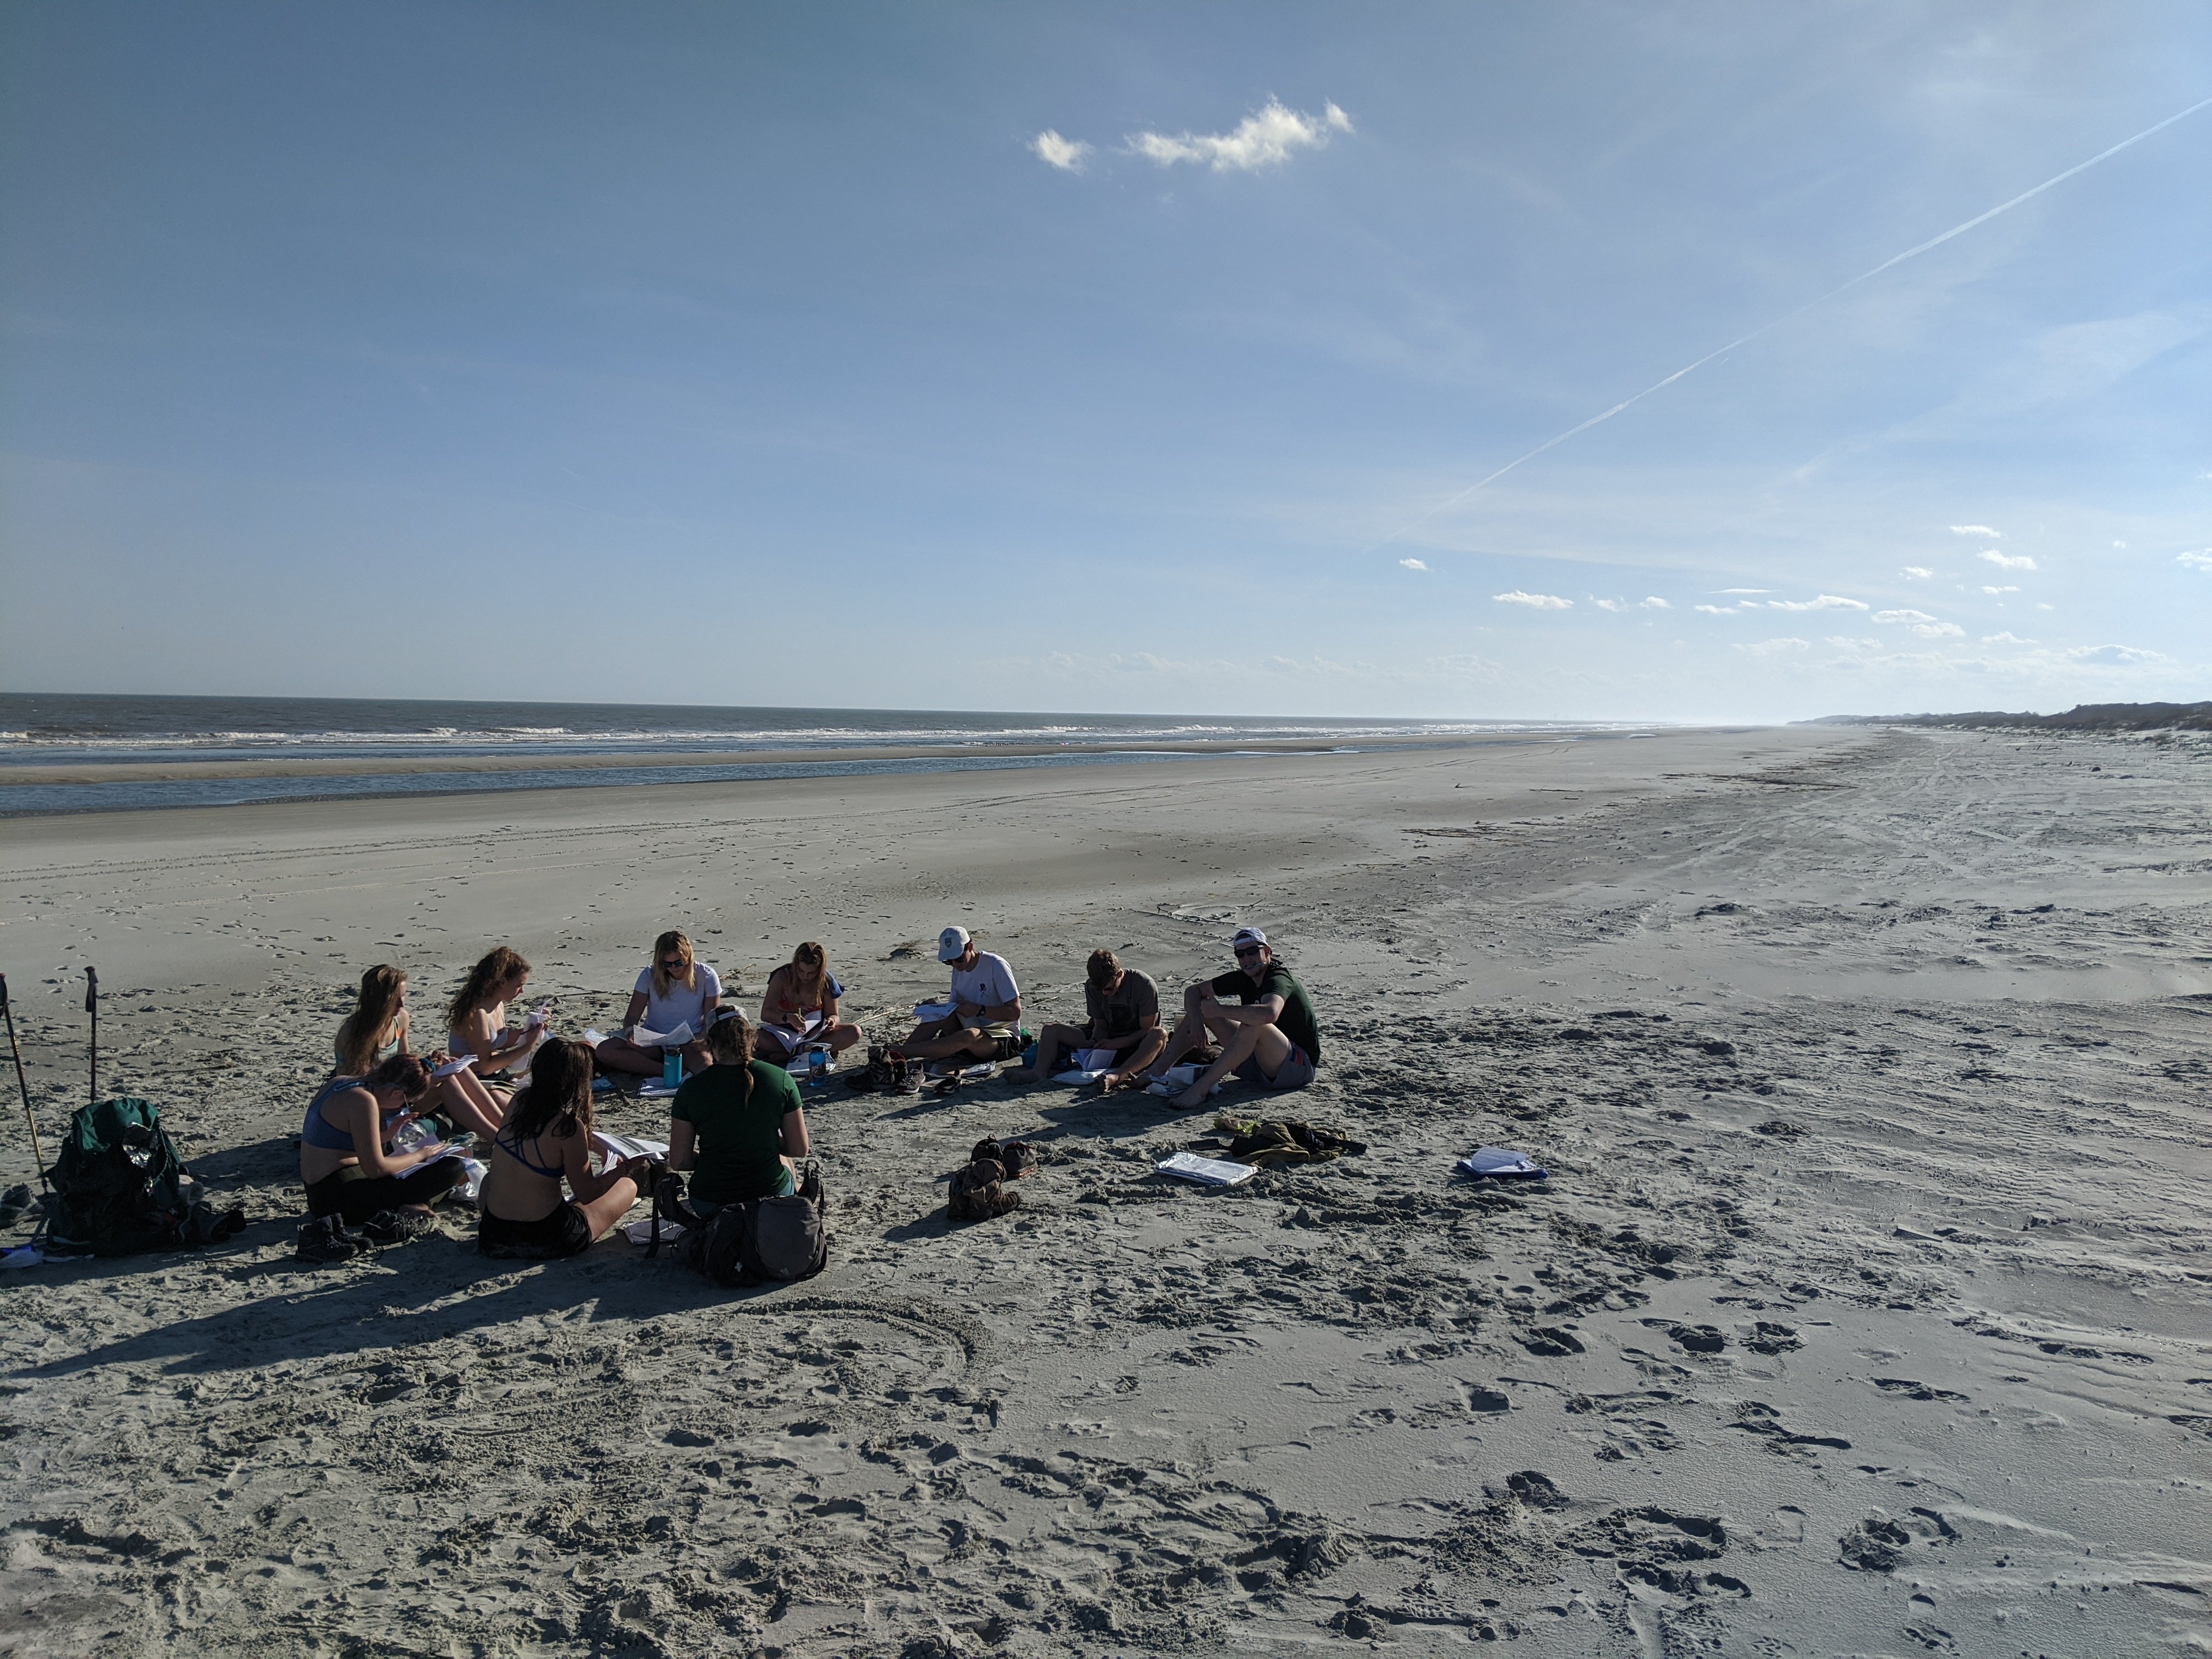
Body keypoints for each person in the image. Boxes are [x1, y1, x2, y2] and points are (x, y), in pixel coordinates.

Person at [477, 1039, 651, 1259]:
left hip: (494, 1235)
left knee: (491, 1180)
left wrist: (597, 1146)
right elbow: (587, 1193)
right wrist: (625, 1170)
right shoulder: (567, 1127)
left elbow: (538, 1141)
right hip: (547, 1236)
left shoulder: (519, 1102)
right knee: (627, 1187)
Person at [1146, 927, 1322, 1111]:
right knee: (1203, 1006)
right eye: (1241, 955)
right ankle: (1157, 1071)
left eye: (1253, 952)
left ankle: (1201, 1088)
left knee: (1255, 1023)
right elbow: (1193, 990)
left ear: (1268, 951)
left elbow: (1270, 1014)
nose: (1247, 959)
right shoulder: (1245, 977)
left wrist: (1221, 1010)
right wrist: (1198, 1021)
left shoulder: (1278, 977)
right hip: (1258, 1063)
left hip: (1297, 1067)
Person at [331, 964, 507, 1141]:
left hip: (398, 1094)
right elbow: (359, 1086)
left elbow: (405, 1062)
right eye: (395, 999)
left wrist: (428, 1067)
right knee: (448, 1084)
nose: (402, 1004)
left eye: (403, 996)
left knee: (455, 1069)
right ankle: (499, 1139)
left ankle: (505, 1129)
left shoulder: (400, 1019)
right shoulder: (354, 1033)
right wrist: (425, 1081)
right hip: (373, 1105)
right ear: (379, 1000)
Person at [298, 1053, 467, 1233]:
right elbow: (376, 1169)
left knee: (422, 1166)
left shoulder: (340, 1082)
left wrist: (387, 1135)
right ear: (397, 1093)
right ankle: (418, 1204)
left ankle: (413, 1203)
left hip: (320, 1192)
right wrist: (420, 1155)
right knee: (454, 1167)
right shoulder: (363, 1100)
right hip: (338, 1198)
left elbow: (338, 1141)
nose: (401, 1107)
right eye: (406, 1102)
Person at [669, 1008, 810, 1210]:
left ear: (709, 1043)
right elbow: (799, 1148)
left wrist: (713, 1154)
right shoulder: (781, 1079)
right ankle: (788, 1211)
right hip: (770, 1197)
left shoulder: (691, 1089)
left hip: (710, 1201)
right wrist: (761, 1141)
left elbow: (680, 1161)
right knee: (782, 1158)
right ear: (753, 1039)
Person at [1013, 949, 1165, 1086]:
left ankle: (1118, 1076)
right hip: (1107, 1042)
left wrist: (1117, 1043)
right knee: (1051, 1030)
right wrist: (1093, 1041)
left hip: (1137, 1044)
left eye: (1109, 989)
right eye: (1100, 989)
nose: (1105, 993)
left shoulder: (1144, 985)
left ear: (1119, 974)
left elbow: (1147, 1029)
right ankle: (1039, 1072)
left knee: (1159, 1035)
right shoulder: (1092, 987)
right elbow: (1101, 1025)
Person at [595, 930, 722, 1077]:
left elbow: (711, 1019)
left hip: (690, 1039)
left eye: (678, 963)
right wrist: (631, 1032)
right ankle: (668, 1072)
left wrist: (702, 1038)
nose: (673, 968)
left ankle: (673, 1069)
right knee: (605, 1051)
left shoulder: (706, 975)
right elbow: (632, 1016)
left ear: (688, 958)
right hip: (654, 1039)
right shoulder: (649, 974)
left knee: (706, 1069)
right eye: (667, 964)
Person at [893, 927, 1023, 1065]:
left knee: (970, 1035)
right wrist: (935, 1008)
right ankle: (896, 1056)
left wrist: (979, 1010)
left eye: (959, 959)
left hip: (1001, 1036)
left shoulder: (995, 965)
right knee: (938, 1016)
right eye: (949, 962)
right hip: (971, 1025)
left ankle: (903, 1051)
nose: (955, 965)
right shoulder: (958, 971)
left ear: (971, 947)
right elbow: (954, 1009)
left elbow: (1015, 1012)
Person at [754, 941, 864, 1067]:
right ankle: (805, 1053)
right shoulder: (782, 977)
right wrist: (787, 1017)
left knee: (854, 1032)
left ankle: (792, 1054)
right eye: (801, 971)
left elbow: (834, 1015)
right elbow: (766, 1014)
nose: (805, 977)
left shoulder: (826, 982)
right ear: (796, 965)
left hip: (815, 1036)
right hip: (783, 1034)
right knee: (752, 1037)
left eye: (811, 973)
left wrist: (832, 1021)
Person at [445, 946, 540, 1082]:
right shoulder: (478, 1014)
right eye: (519, 985)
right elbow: (486, 1066)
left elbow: (501, 1041)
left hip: (496, 1074)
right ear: (503, 982)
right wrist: (528, 1046)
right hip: (474, 1080)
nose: (522, 991)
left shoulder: (498, 1004)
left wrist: (534, 1028)